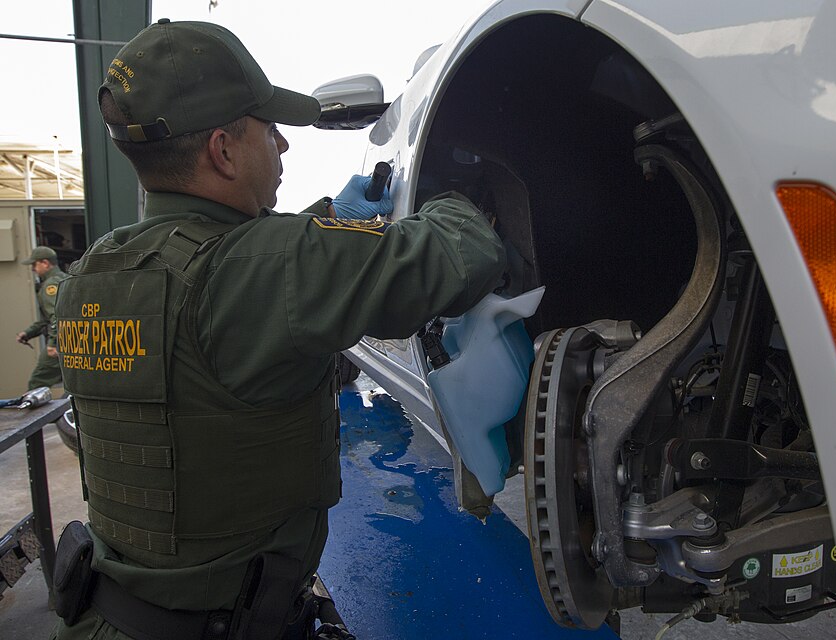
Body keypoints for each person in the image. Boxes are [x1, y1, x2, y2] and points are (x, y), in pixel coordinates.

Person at [50, 19, 505, 640]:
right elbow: (463, 254)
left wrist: (331, 221)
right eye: (270, 130)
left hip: (111, 618)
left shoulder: (94, 274)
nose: (284, 147)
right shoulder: (260, 271)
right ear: (223, 149)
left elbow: (246, 279)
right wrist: (456, 192)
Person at [16, 246, 66, 390]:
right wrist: (29, 332)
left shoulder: (51, 285)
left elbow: (57, 315)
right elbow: (47, 319)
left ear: (45, 263)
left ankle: (34, 411)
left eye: (34, 264)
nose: (33, 269)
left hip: (62, 341)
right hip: (71, 338)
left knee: (37, 383)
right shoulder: (64, 278)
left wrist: (52, 343)